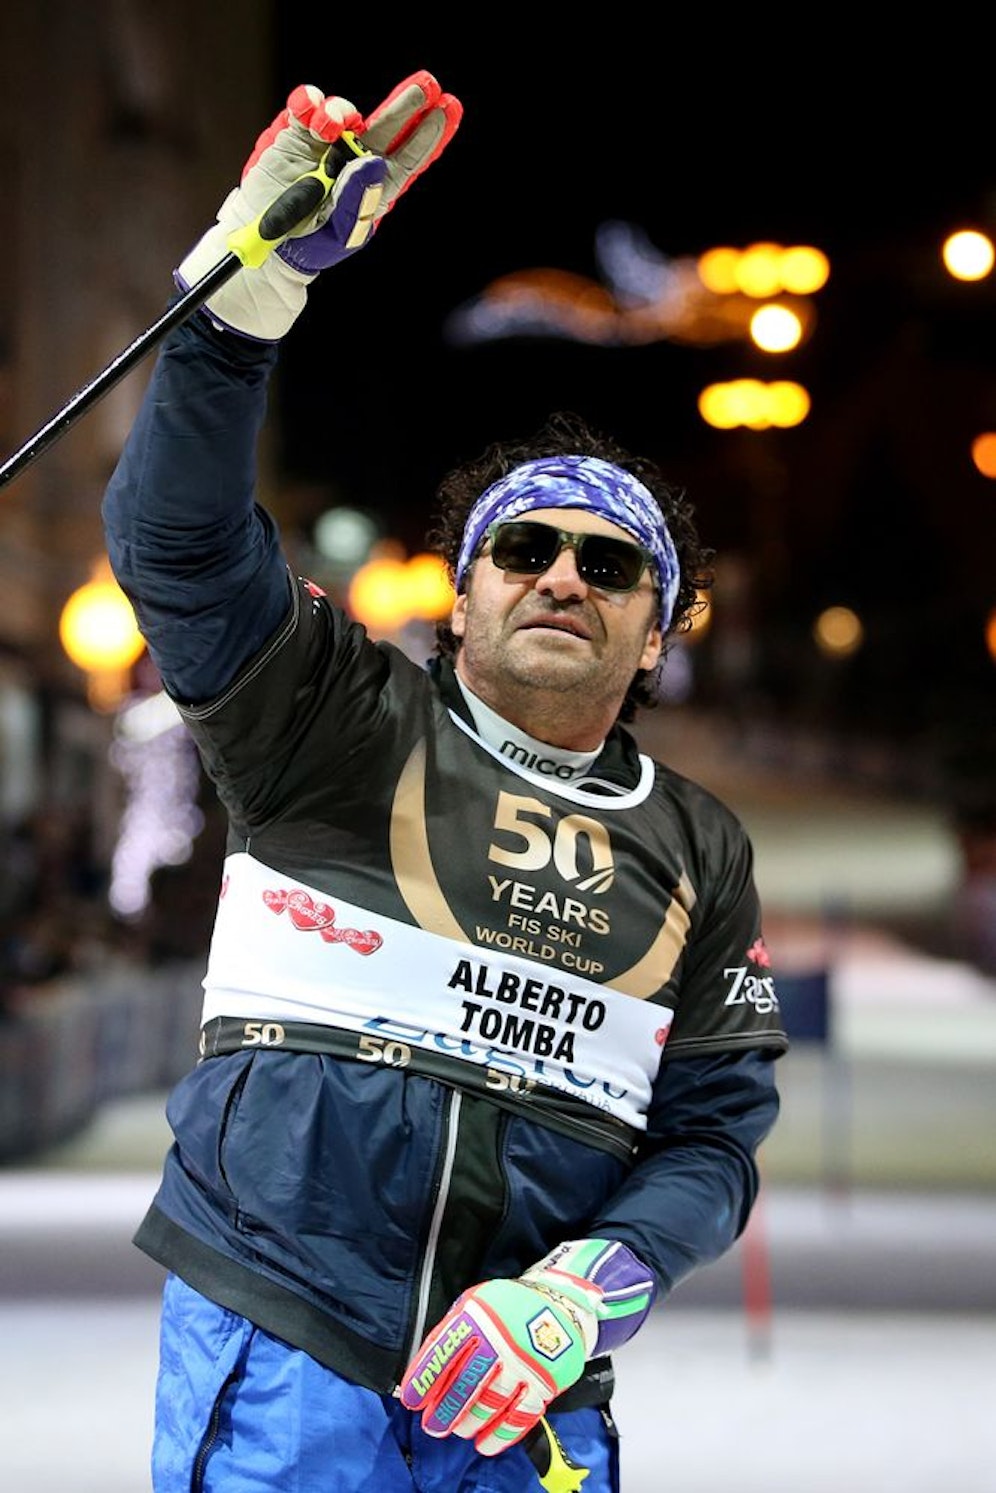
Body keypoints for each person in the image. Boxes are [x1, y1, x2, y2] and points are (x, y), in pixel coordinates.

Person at [102, 69, 789, 1493]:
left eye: (612, 566)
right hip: (289, 1342)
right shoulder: (331, 716)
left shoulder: (699, 846)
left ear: (657, 631)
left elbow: (715, 1136)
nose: (564, 578)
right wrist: (242, 298)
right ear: (460, 598)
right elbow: (177, 542)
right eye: (523, 550)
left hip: (525, 1393)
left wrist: (590, 1287)